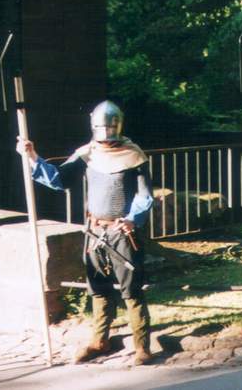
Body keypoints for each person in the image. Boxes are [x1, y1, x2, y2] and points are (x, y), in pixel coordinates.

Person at [17, 100, 154, 366]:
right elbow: (59, 179)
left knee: (131, 289)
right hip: (95, 231)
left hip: (123, 232)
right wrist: (32, 156)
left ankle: (141, 347)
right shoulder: (86, 154)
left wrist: (132, 219)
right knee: (98, 288)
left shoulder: (135, 155)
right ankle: (99, 341)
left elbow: (144, 195)